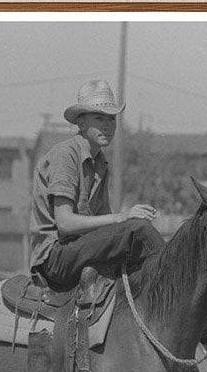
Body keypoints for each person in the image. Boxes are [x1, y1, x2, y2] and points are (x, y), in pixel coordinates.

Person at [29, 79, 164, 290]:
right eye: (99, 118)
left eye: (112, 119)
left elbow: (104, 225)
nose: (108, 126)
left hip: (79, 248)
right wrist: (123, 218)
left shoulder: (100, 162)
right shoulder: (66, 155)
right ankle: (173, 282)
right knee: (137, 230)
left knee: (136, 246)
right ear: (81, 123)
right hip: (55, 258)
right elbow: (64, 224)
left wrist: (124, 219)